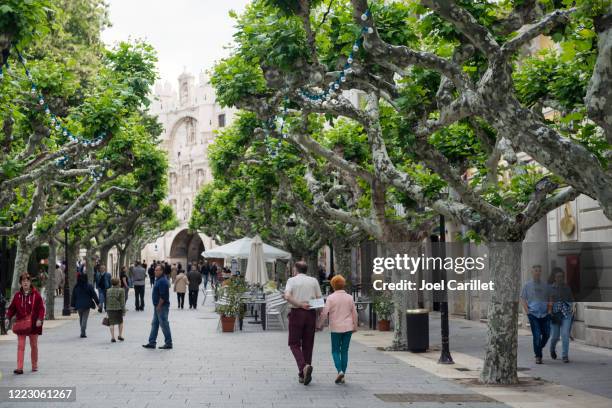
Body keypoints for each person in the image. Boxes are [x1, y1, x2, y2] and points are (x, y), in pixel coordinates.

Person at [284, 261, 322, 385]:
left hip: (296, 313)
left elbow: (287, 296)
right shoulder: (314, 281)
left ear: (295, 269)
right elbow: (319, 300)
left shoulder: (291, 280)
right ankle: (303, 375)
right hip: (310, 314)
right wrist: (320, 320)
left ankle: (303, 367)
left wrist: (299, 304)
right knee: (308, 344)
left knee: (294, 343)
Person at [318, 275, 357, 384]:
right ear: (343, 284)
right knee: (344, 351)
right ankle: (343, 374)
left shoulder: (331, 298)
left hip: (335, 328)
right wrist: (355, 326)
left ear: (333, 285)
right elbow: (354, 313)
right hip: (348, 327)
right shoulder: (349, 297)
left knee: (335, 351)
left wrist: (319, 324)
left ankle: (339, 371)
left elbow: (325, 313)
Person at [5, 273, 45, 374]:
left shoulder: (36, 295)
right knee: (20, 346)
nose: (25, 283)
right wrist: (7, 317)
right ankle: (19, 368)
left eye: (27, 281)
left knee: (34, 345)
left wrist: (40, 319)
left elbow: (41, 308)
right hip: (21, 325)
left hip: (34, 324)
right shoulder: (17, 296)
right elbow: (11, 309)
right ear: (21, 283)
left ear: (30, 282)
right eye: (23, 281)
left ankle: (34, 365)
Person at [520, 265, 551, 364]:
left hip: (545, 314)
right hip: (533, 314)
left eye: (539, 271)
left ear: (541, 273)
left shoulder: (546, 285)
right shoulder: (527, 285)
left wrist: (549, 311)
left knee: (547, 334)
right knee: (537, 335)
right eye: (535, 271)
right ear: (532, 273)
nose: (537, 272)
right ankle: (538, 356)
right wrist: (527, 312)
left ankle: (538, 348)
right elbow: (523, 299)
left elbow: (550, 298)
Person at [143, 265, 172, 349]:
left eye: (157, 270)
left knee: (164, 324)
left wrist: (159, 306)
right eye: (155, 270)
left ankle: (168, 343)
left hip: (161, 306)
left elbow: (163, 296)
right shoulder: (159, 280)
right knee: (155, 324)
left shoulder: (162, 281)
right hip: (157, 306)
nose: (155, 271)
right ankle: (152, 342)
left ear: (162, 271)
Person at [549, 267, 574, 363]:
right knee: (555, 336)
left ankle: (565, 355)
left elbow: (571, 300)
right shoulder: (550, 288)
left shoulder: (567, 288)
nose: (560, 278)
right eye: (558, 277)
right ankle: (552, 349)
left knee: (565, 334)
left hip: (566, 314)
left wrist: (571, 307)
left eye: (562, 277)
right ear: (555, 278)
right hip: (554, 314)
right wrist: (550, 312)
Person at [70, 274, 100, 338]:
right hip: (87, 305)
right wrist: (98, 303)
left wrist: (72, 305)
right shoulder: (89, 286)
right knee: (85, 318)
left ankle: (82, 329)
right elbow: (94, 295)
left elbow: (73, 297)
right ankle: (83, 330)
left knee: (81, 317)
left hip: (78, 305)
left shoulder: (76, 286)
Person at [106, 277, 126, 342]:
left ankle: (112, 337)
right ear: (118, 283)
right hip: (118, 308)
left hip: (109, 308)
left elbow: (107, 300)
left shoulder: (108, 290)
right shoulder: (121, 290)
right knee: (120, 322)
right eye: (120, 282)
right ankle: (120, 335)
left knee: (111, 323)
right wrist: (124, 310)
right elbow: (122, 301)